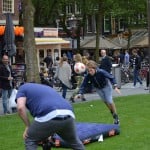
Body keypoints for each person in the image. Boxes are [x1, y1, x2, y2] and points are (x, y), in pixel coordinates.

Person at [15, 83, 85, 150]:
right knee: (75, 143)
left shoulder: (22, 88)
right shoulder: (45, 88)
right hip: (68, 113)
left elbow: (20, 108)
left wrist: (28, 126)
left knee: (30, 139)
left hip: (49, 113)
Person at [75, 60, 120, 125]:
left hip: (106, 86)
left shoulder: (101, 72)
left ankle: (116, 117)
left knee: (109, 100)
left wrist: (115, 86)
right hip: (98, 89)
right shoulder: (88, 76)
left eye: (91, 70)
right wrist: (80, 93)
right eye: (89, 71)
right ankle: (113, 113)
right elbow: (83, 85)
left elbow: (111, 77)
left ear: (95, 68)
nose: (90, 72)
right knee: (105, 102)